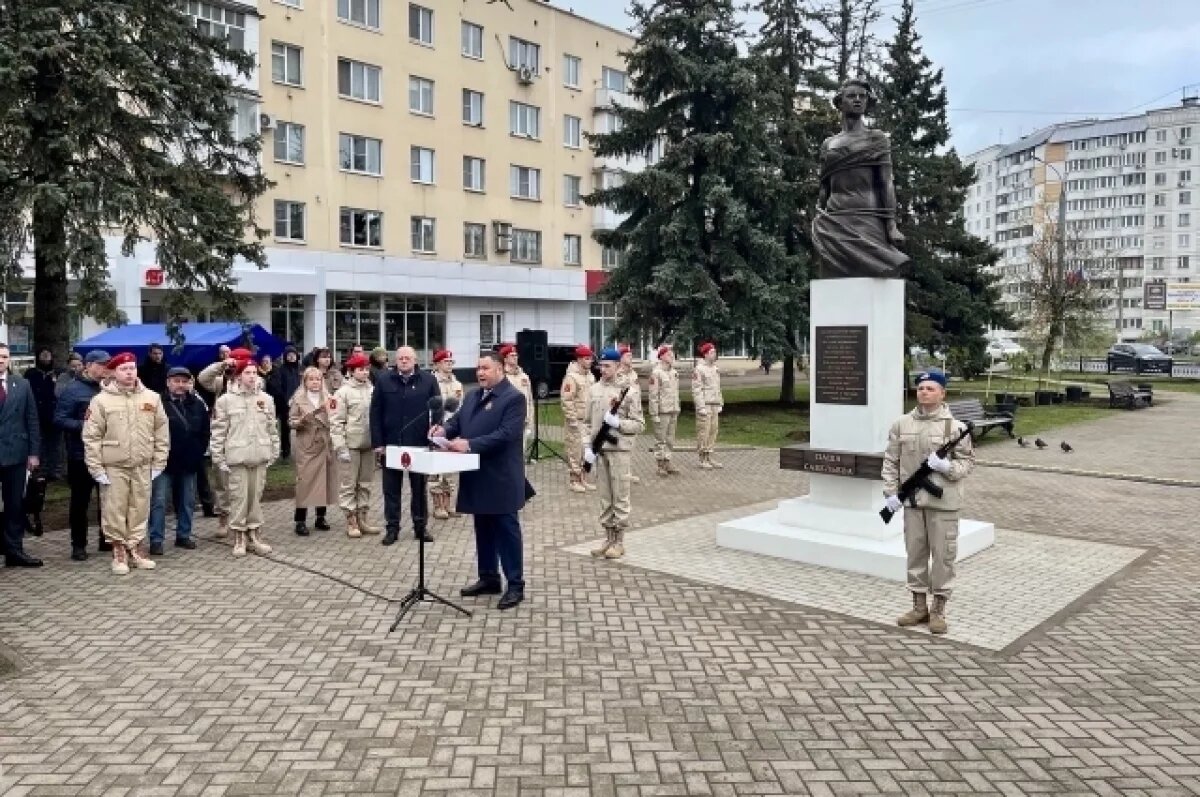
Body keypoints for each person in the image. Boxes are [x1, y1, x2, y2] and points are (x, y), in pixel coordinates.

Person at [430, 352, 529, 610]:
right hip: (476, 473)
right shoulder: (473, 395)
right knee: (482, 527)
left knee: (506, 531)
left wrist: (470, 444)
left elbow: (506, 435)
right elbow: (458, 423)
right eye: (477, 369)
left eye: (485, 368)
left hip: (501, 476)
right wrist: (443, 431)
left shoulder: (514, 398)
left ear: (499, 369)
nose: (480, 373)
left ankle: (515, 585)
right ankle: (489, 578)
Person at [882, 369, 976, 635]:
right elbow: (891, 460)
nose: (924, 392)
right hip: (912, 502)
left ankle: (938, 610)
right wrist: (891, 494)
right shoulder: (902, 424)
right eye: (921, 388)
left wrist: (947, 467)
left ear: (942, 393)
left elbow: (967, 462)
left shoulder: (954, 428)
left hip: (944, 503)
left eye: (931, 388)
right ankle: (918, 607)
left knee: (944, 558)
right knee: (915, 555)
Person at [812, 78, 909, 279]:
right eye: (851, 96)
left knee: (876, 273)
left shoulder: (876, 138)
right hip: (834, 218)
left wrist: (891, 226)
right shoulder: (828, 144)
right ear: (840, 102)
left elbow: (886, 182)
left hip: (867, 218)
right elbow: (825, 187)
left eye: (862, 96)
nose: (858, 100)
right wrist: (820, 217)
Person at [82, 352, 169, 575]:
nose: (130, 372)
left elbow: (161, 432)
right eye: (124, 369)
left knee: (139, 507)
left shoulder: (152, 398)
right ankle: (118, 552)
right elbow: (91, 436)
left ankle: (136, 548)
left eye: (132, 368)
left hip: (142, 464)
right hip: (114, 466)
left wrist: (159, 461)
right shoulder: (101, 400)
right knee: (115, 509)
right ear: (113, 372)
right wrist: (96, 468)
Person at [370, 345, 439, 545]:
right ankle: (392, 528)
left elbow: (437, 410)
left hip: (419, 443)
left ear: (415, 360)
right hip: (391, 444)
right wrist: (378, 442)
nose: (404, 361)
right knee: (391, 490)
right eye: (400, 358)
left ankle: (420, 527)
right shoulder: (384, 380)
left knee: (419, 488)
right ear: (395, 361)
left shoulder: (428, 380)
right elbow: (375, 413)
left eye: (408, 358)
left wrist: (435, 434)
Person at [211, 357, 279, 558]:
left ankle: (255, 535)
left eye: (254, 373)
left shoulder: (266, 399)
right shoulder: (226, 400)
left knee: (255, 499)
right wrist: (218, 457)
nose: (252, 376)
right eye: (247, 373)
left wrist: (274, 449)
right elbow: (218, 431)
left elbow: (271, 427)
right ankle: (239, 536)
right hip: (237, 457)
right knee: (239, 498)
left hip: (259, 455)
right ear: (238, 376)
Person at [584, 348, 645, 560]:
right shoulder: (594, 389)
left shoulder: (629, 390)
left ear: (618, 366)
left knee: (620, 495)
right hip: (600, 450)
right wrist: (587, 447)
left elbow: (639, 424)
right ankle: (608, 537)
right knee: (604, 496)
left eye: (608, 366)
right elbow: (586, 422)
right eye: (601, 365)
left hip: (619, 450)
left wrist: (619, 423)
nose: (603, 369)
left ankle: (619, 541)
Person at [148, 367, 210, 555]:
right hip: (163, 462)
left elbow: (205, 432)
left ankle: (183, 535)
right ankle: (156, 539)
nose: (180, 385)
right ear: (168, 382)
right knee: (159, 501)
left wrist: (198, 453)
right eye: (176, 381)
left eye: (184, 381)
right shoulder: (156, 403)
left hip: (189, 461)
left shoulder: (197, 404)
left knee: (187, 501)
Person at [55, 349, 109, 561]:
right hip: (81, 454)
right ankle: (78, 544)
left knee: (107, 499)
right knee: (80, 501)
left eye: (107, 365)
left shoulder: (109, 389)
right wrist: (86, 426)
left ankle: (106, 538)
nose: (105, 368)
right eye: (101, 364)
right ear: (88, 366)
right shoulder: (72, 390)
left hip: (108, 453)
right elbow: (59, 419)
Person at [199, 346, 253, 535]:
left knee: (244, 482)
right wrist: (222, 365)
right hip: (224, 439)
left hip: (245, 438)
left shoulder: (255, 383)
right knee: (222, 481)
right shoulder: (221, 383)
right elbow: (202, 378)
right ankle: (223, 516)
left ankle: (244, 518)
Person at [0, 343, 43, 567]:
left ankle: (14, 551)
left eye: (4, 357)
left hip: (16, 453)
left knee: (15, 504)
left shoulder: (22, 384)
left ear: (9, 360)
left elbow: (32, 419)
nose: (1, 360)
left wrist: (34, 453)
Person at [330, 353, 379, 537]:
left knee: (365, 483)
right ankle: (351, 521)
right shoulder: (342, 393)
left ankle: (363, 518)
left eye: (366, 369)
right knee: (349, 484)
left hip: (369, 443)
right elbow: (336, 422)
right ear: (351, 372)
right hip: (351, 445)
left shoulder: (372, 389)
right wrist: (340, 447)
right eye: (360, 369)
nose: (365, 373)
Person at [289, 366, 337, 535]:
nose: (315, 382)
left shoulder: (329, 398)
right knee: (305, 482)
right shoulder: (298, 399)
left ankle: (320, 517)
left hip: (324, 444)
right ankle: (300, 520)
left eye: (318, 379)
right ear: (305, 381)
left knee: (323, 480)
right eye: (311, 379)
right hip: (307, 445)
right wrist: (303, 419)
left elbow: (336, 418)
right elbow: (292, 422)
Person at [428, 349, 464, 520]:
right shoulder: (432, 382)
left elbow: (461, 407)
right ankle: (437, 506)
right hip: (435, 429)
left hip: (452, 430)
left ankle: (448, 504)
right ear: (437, 364)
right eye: (446, 362)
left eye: (451, 362)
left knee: (450, 469)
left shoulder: (457, 384)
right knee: (436, 470)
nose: (449, 365)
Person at [560, 345, 595, 494]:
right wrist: (572, 419)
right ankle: (574, 479)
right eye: (587, 359)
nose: (590, 361)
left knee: (586, 450)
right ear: (579, 359)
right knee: (575, 450)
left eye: (591, 358)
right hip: (577, 420)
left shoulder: (590, 376)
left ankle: (583, 478)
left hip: (588, 420)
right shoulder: (571, 377)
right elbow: (567, 399)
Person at [23, 346, 62, 480]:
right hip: (37, 414)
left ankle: (55, 470)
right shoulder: (31, 374)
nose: (45, 358)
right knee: (39, 444)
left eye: (48, 355)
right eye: (43, 355)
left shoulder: (57, 373)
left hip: (54, 414)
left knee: (55, 445)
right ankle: (41, 470)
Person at [648, 345, 681, 477]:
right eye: (668, 354)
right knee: (660, 439)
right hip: (662, 411)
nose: (671, 356)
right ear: (661, 357)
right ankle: (660, 464)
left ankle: (668, 461)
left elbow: (675, 392)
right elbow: (653, 395)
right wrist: (654, 413)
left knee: (670, 439)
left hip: (673, 409)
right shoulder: (656, 373)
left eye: (672, 354)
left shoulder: (673, 373)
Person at [692, 342, 724, 469]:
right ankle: (702, 458)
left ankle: (710, 456)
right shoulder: (699, 369)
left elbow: (718, 387)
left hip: (714, 404)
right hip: (705, 404)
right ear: (705, 354)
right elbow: (696, 389)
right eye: (712, 352)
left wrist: (720, 402)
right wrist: (700, 407)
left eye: (715, 352)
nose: (714, 354)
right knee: (703, 432)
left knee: (713, 431)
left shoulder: (715, 369)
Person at [267, 345, 302, 460]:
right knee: (285, 429)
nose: (291, 357)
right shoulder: (281, 370)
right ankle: (285, 451)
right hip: (285, 404)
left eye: (293, 355)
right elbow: (277, 387)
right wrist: (284, 400)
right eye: (289, 355)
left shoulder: (301, 369)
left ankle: (300, 450)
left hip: (300, 403)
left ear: (297, 356)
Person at [615, 344, 641, 485]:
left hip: (633, 413)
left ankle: (627, 472)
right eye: (628, 355)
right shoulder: (617, 374)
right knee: (621, 445)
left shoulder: (633, 373)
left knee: (630, 444)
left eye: (631, 355)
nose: (631, 357)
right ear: (621, 358)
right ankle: (619, 473)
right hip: (621, 413)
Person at [500, 344, 534, 444]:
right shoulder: (501, 377)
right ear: (505, 359)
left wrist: (530, 421)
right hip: (507, 422)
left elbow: (529, 400)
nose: (515, 358)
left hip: (523, 421)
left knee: (521, 453)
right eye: (512, 356)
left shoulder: (524, 376)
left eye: (516, 355)